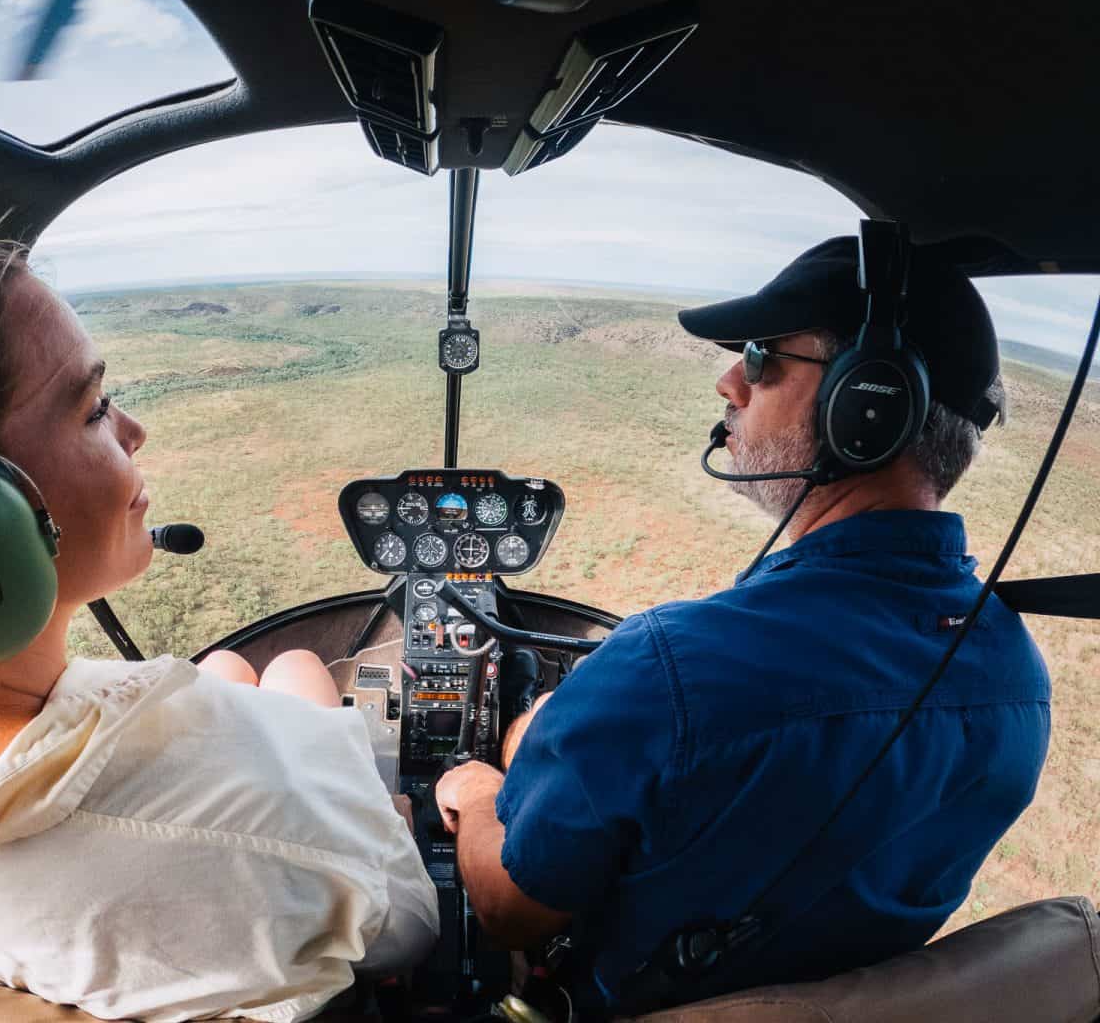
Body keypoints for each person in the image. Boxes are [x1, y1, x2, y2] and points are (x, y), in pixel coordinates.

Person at [0, 191, 438, 1022]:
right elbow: (413, 927)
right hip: (261, 822)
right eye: (95, 407)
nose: (134, 432)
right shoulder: (270, 815)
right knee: (296, 669)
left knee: (228, 670)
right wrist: (390, 811)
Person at [434, 236, 1050, 1008]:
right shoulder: (1019, 682)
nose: (730, 379)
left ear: (868, 408)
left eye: (762, 358)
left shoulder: (669, 672)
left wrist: (481, 792)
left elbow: (509, 911)